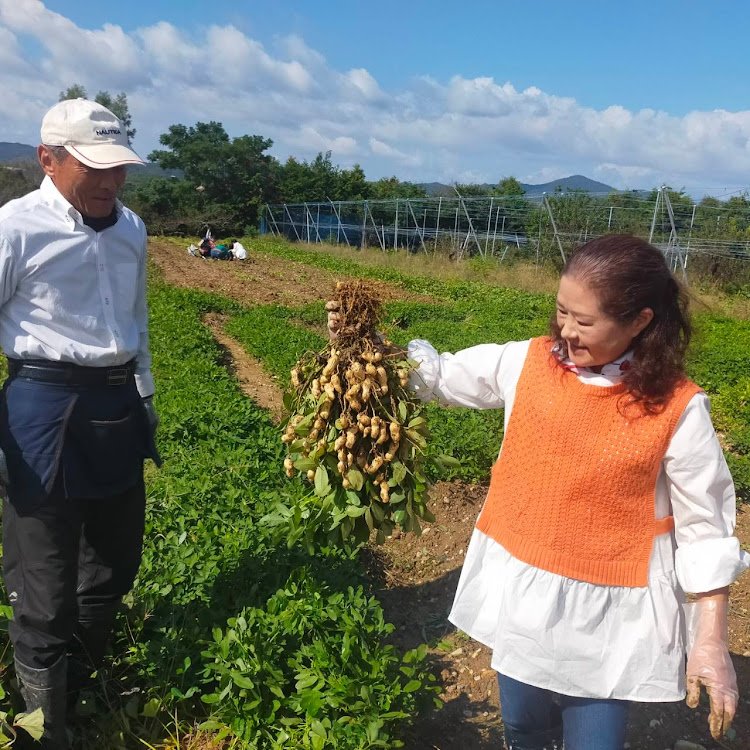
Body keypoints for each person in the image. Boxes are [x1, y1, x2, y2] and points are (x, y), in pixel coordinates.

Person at [328, 234, 748, 749]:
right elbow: (440, 377)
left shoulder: (678, 408)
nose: (566, 331)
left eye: (584, 321)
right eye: (560, 311)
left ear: (640, 321)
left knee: (595, 740)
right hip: (524, 586)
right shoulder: (525, 363)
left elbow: (705, 531)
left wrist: (709, 640)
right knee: (524, 726)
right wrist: (365, 344)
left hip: (609, 607)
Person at [0, 98, 161, 747]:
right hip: (44, 405)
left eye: (118, 168)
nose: (109, 182)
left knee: (115, 560)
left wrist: (144, 396)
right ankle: (44, 732)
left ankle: (89, 684)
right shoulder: (16, 226)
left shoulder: (132, 231)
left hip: (118, 403)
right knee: (45, 581)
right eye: (94, 168)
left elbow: (138, 319)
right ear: (48, 158)